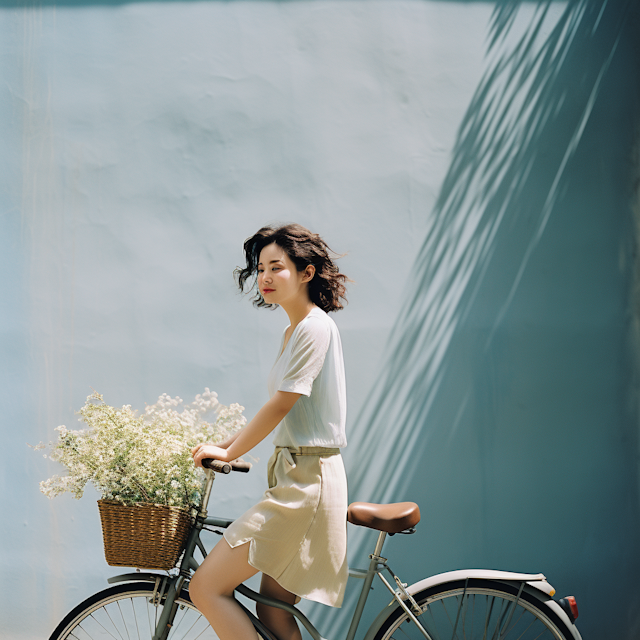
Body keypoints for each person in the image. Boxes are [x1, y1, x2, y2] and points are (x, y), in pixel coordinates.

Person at [190, 223, 349, 640]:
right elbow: (284, 409)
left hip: (306, 486)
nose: (264, 277)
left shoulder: (314, 327)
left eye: (276, 267)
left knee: (204, 587)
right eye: (260, 268)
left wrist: (227, 453)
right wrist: (223, 446)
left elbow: (282, 404)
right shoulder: (294, 330)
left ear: (306, 273)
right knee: (274, 614)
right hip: (299, 478)